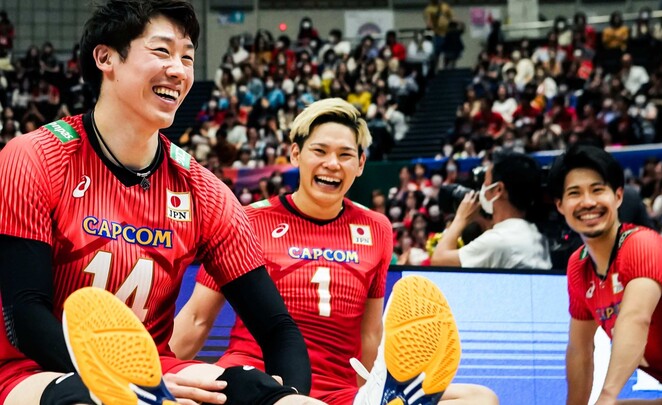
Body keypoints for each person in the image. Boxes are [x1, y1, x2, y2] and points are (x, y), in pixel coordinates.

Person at [0, 1, 321, 404]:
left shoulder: (204, 191)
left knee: (256, 391)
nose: (180, 70)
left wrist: (288, 396)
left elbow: (278, 330)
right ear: (106, 58)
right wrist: (128, 384)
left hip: (156, 372)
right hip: (30, 370)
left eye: (187, 56)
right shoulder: (33, 157)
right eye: (162, 51)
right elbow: (24, 318)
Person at [171, 98, 499, 405]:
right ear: (295, 154)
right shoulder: (248, 218)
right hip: (259, 382)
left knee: (480, 398)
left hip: (339, 392)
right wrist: (157, 380)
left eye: (345, 155)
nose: (332, 164)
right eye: (320, 151)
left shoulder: (377, 228)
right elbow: (198, 318)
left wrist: (370, 389)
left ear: (360, 164)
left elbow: (370, 333)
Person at [548, 145, 662, 404]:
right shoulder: (578, 267)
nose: (588, 202)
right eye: (575, 193)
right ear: (560, 205)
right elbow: (580, 350)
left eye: (597, 190)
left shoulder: (642, 245)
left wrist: (607, 397)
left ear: (618, 196)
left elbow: (636, 319)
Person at [431, 152, 552, 269]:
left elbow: (439, 261)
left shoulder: (499, 240)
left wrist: (461, 218)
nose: (482, 190)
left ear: (498, 189)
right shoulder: (535, 233)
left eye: (486, 183)